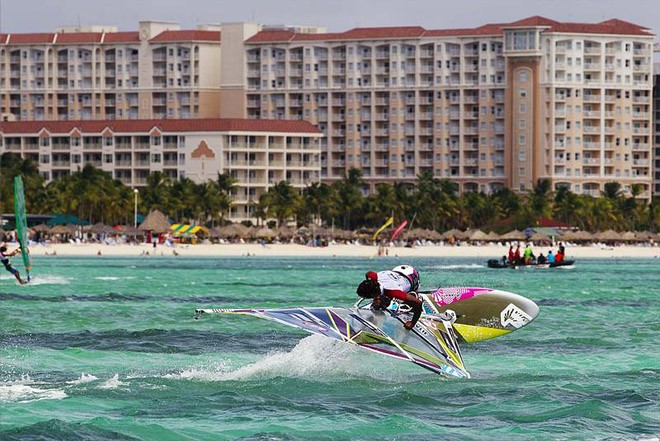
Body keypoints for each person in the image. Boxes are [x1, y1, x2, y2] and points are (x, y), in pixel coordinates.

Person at [356, 264, 422, 330]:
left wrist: (412, 323)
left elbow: (418, 303)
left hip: (412, 279)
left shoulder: (394, 292)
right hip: (398, 271)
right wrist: (377, 298)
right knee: (379, 303)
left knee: (380, 305)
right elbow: (368, 273)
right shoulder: (372, 277)